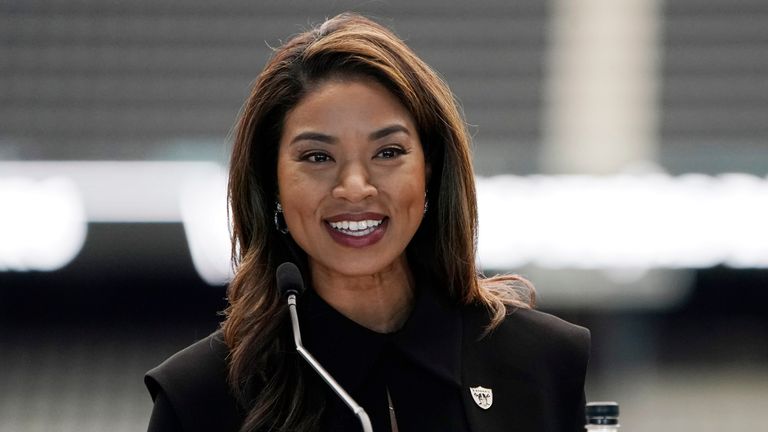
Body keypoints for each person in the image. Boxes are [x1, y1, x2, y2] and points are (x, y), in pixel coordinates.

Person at [145, 12, 590, 432]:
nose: (354, 187)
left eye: (388, 153)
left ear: (430, 169)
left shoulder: (543, 361)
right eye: (318, 157)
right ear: (271, 182)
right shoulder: (198, 398)